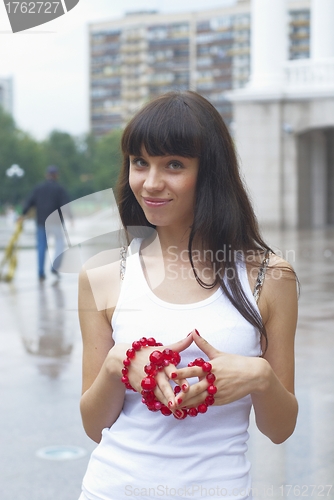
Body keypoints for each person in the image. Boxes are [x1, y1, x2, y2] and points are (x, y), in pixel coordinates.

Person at [78, 91, 298, 500]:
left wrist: (259, 378)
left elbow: (280, 429)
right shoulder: (102, 276)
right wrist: (117, 364)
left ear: (210, 172)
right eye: (140, 162)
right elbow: (94, 427)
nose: (151, 182)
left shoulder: (270, 278)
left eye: (174, 165)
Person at [20, 165, 71, 281]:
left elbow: (29, 202)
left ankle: (40, 272)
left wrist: (23, 214)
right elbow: (65, 205)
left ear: (46, 175)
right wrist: (70, 217)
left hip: (41, 222)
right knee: (59, 243)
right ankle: (55, 267)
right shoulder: (59, 189)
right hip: (56, 222)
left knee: (41, 247)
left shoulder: (38, 188)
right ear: (56, 175)